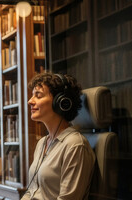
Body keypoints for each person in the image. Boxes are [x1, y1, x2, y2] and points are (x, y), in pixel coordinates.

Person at [21, 72, 95, 200]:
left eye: (38, 95)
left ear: (61, 102)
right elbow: (31, 192)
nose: (30, 101)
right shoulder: (42, 143)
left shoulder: (75, 145)